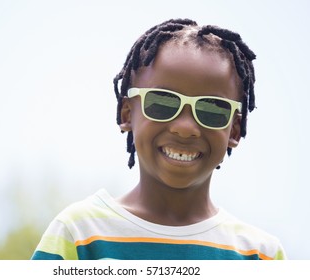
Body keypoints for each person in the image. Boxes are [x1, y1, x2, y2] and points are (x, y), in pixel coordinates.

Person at [31, 18, 286, 260]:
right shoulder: (80, 235)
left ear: (234, 130)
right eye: (163, 102)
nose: (186, 128)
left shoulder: (259, 254)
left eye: (211, 109)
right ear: (127, 113)